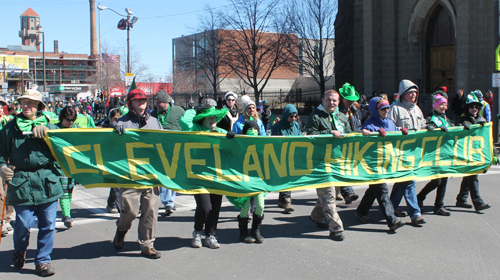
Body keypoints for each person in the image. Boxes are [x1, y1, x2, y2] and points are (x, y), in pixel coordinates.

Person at [0, 89, 63, 276]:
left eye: (31, 102)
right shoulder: (9, 129)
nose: (27, 105)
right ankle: (19, 250)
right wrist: (2, 167)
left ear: (39, 106)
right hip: (21, 182)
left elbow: (66, 145)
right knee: (23, 225)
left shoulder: (50, 126)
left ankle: (43, 261)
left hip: (47, 181)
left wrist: (49, 134)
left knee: (48, 225)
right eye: (24, 102)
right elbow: (1, 153)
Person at [112, 88, 163, 259]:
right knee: (130, 212)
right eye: (137, 100)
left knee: (150, 211)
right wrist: (114, 130)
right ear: (130, 103)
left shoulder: (155, 122)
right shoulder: (121, 123)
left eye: (144, 99)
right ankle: (121, 229)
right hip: (130, 175)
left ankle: (147, 244)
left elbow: (165, 145)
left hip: (150, 175)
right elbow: (109, 146)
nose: (142, 102)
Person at [179, 104, 229, 249]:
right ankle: (197, 231)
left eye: (215, 117)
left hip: (216, 176)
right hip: (198, 176)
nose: (213, 120)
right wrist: (195, 109)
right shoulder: (194, 130)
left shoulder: (220, 132)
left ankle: (210, 235)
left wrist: (231, 138)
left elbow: (234, 146)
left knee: (215, 207)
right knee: (205, 207)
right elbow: (184, 122)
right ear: (202, 120)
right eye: (210, 117)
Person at [356, 96, 406, 231]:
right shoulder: (369, 123)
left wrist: (401, 131)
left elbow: (395, 134)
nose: (386, 111)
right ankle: (392, 220)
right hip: (373, 164)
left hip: (386, 163)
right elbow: (361, 138)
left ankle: (361, 211)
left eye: (388, 108)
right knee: (382, 189)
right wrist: (369, 133)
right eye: (383, 109)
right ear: (375, 110)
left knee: (374, 190)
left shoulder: (390, 123)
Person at [305, 89, 347, 241]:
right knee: (329, 196)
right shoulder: (315, 116)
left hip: (337, 162)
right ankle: (336, 228)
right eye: (329, 100)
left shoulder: (341, 116)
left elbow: (349, 134)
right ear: (323, 100)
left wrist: (364, 132)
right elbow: (311, 135)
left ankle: (316, 215)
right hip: (321, 162)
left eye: (335, 100)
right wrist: (330, 132)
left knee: (332, 193)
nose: (332, 103)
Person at [388, 79, 427, 226]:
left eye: (415, 93)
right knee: (409, 181)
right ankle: (415, 213)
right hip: (400, 152)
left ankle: (390, 207)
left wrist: (429, 127)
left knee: (403, 181)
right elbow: (389, 128)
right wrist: (400, 131)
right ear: (403, 94)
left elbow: (422, 125)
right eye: (410, 93)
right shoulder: (395, 109)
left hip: (415, 152)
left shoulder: (417, 109)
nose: (413, 95)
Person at [227, 121, 266, 243]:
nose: (253, 132)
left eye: (255, 130)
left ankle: (255, 230)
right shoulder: (239, 144)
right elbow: (229, 150)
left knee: (260, 206)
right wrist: (230, 139)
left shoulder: (262, 145)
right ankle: (243, 233)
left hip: (257, 181)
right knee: (245, 208)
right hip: (243, 182)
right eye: (250, 129)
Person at [417, 92, 453, 216]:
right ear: (435, 105)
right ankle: (420, 196)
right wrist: (430, 128)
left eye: (445, 105)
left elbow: (452, 129)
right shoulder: (430, 117)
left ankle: (439, 206)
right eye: (441, 105)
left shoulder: (446, 118)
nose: (443, 107)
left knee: (444, 180)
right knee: (437, 180)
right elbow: (424, 128)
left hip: (445, 153)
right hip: (434, 153)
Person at [151, 89, 185, 216]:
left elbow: (187, 126)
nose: (156, 105)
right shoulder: (153, 114)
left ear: (166, 102)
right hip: (159, 149)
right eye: (155, 102)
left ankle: (169, 201)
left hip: (176, 148)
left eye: (159, 102)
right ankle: (168, 203)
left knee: (173, 175)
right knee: (165, 174)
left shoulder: (179, 111)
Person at [455, 92, 491, 212]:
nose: (474, 109)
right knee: (472, 176)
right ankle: (478, 202)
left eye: (476, 107)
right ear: (467, 108)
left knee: (469, 177)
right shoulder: (462, 119)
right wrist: (461, 127)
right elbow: (456, 134)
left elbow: (488, 138)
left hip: (477, 153)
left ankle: (461, 199)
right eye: (472, 107)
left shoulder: (482, 120)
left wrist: (494, 153)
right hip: (466, 153)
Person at [271, 104, 301, 213]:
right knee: (285, 178)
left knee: (288, 178)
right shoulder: (278, 126)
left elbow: (301, 138)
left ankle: (282, 200)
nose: (293, 118)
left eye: (295, 116)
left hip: (293, 156)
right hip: (281, 156)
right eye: (290, 116)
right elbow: (273, 142)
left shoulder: (296, 125)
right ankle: (287, 201)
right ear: (285, 115)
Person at [337, 83, 361, 205]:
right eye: (348, 100)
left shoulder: (354, 111)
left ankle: (339, 191)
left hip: (351, 144)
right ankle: (348, 193)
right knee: (342, 168)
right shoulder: (335, 111)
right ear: (342, 99)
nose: (351, 103)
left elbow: (357, 125)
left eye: (353, 100)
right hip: (338, 144)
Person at [56, 107, 80, 228]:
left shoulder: (76, 129)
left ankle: (66, 213)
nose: (70, 122)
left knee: (70, 188)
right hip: (58, 164)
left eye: (73, 119)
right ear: (61, 117)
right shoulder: (54, 129)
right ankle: (66, 215)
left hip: (72, 164)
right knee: (64, 190)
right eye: (68, 119)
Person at [104, 108, 122, 214]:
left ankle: (111, 204)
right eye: (114, 118)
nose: (117, 120)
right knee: (116, 183)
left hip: (120, 158)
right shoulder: (107, 129)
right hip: (111, 159)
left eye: (119, 118)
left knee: (117, 183)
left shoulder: (123, 127)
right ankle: (118, 205)